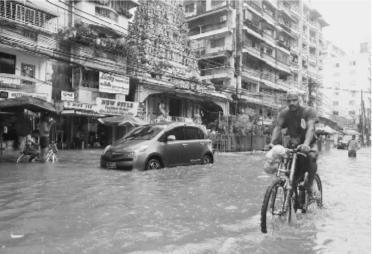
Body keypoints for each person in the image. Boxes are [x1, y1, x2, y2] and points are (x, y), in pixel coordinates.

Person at [268, 91, 318, 211]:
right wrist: (272, 143)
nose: (291, 103)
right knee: (290, 172)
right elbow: (278, 127)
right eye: (289, 101)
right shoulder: (284, 113)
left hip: (309, 143)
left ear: (299, 100)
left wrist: (306, 144)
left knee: (311, 157)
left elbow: (311, 128)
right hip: (293, 144)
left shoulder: (308, 111)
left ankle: (310, 184)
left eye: (294, 100)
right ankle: (293, 196)